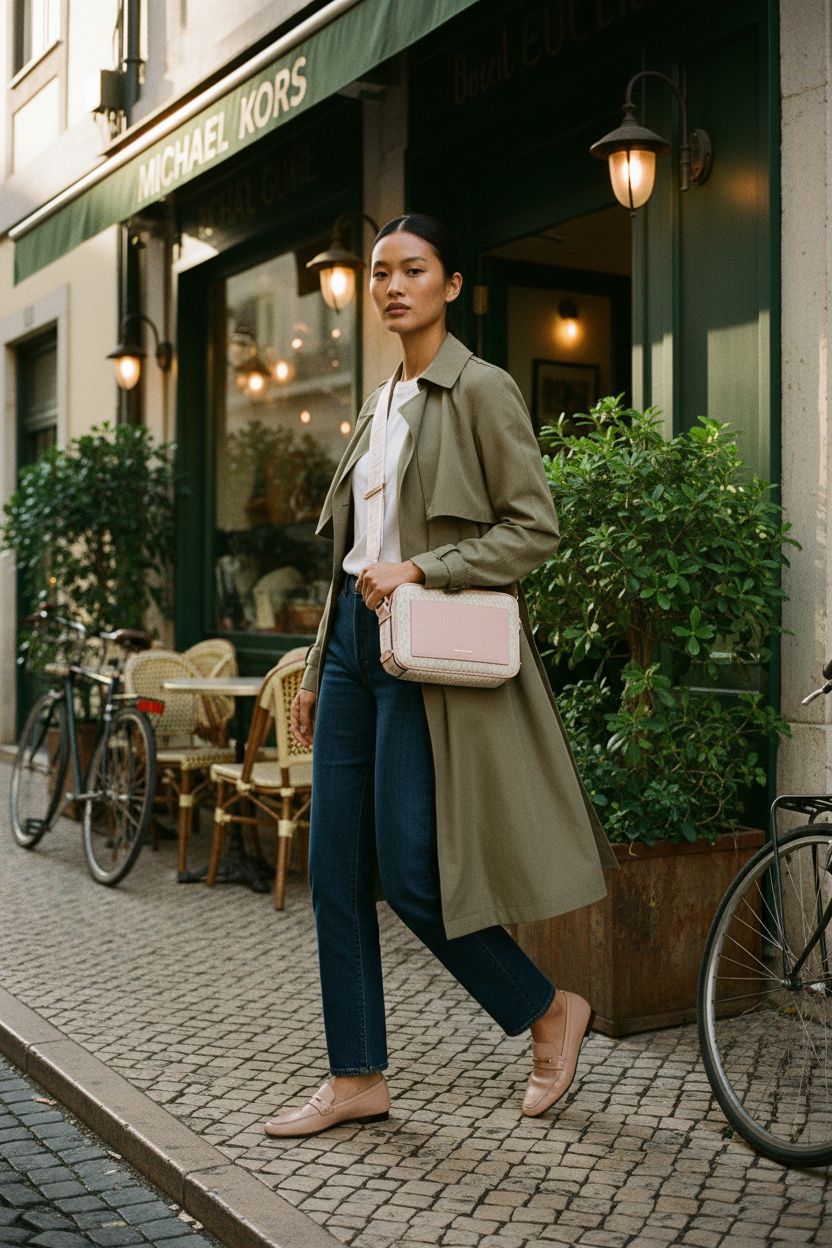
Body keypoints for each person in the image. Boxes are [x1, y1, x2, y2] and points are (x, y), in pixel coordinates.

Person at [264, 213, 616, 1139]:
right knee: (333, 872)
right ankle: (357, 1077)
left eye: (412, 270)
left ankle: (548, 1011)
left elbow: (532, 529)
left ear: (450, 286)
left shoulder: (483, 390)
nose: (392, 286)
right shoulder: (377, 403)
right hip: (350, 647)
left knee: (414, 872)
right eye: (381, 272)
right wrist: (312, 669)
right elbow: (353, 550)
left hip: (422, 650)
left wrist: (427, 568)